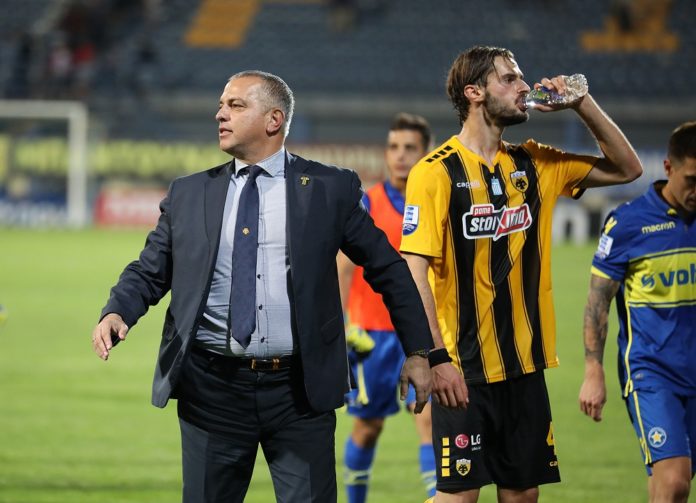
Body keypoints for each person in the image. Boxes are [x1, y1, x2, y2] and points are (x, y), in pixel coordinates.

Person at [91, 70, 433, 503]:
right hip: (211, 389)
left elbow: (389, 269)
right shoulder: (188, 193)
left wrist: (419, 351)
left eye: (235, 105)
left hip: (299, 392)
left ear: (274, 120)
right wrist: (117, 309)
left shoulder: (328, 189)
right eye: (221, 105)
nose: (220, 114)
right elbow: (150, 270)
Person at [399, 45, 643, 503]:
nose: (524, 86)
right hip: (462, 368)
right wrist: (436, 358)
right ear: (474, 92)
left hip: (525, 367)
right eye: (509, 78)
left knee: (522, 496)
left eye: (521, 77)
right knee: (459, 498)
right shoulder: (435, 173)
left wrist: (582, 103)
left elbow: (628, 168)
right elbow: (414, 271)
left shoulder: (535, 163)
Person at [579, 121, 696, 503]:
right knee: (675, 481)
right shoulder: (629, 223)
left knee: (668, 484)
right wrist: (593, 371)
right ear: (669, 167)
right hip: (652, 371)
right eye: (692, 180)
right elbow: (598, 301)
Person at [338, 113, 436, 502]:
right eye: (394, 147)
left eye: (410, 148)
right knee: (368, 428)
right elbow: (343, 267)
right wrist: (344, 326)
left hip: (423, 334)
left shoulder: (436, 200)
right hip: (372, 335)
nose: (400, 155)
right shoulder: (367, 202)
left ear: (426, 153)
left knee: (431, 422)